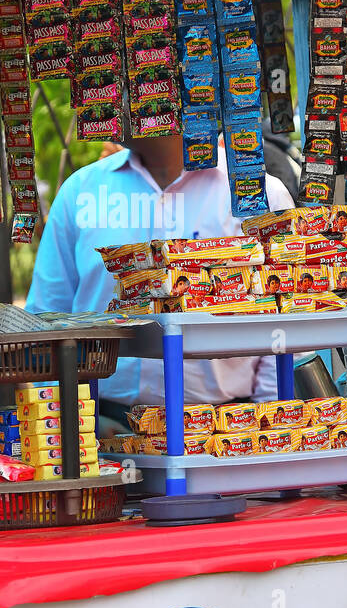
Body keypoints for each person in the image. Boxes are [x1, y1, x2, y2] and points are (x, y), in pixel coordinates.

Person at [25, 132, 295, 432]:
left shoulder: (258, 192)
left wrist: (269, 429)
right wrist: (57, 428)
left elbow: (288, 321)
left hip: (228, 430)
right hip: (101, 429)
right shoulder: (81, 191)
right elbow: (47, 321)